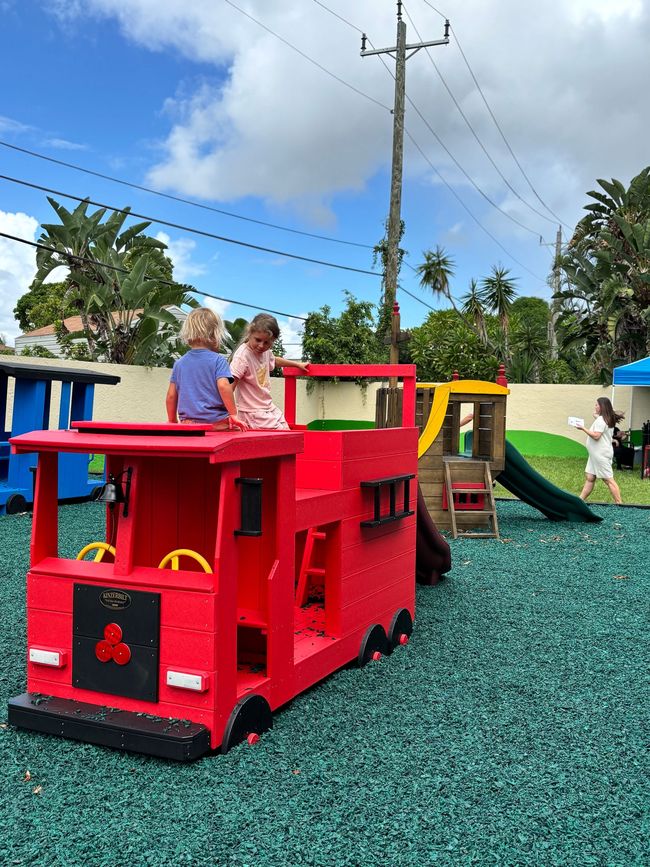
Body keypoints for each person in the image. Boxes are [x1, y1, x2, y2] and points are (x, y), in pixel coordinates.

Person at [166, 307, 247, 431]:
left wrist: (172, 421)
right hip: (216, 423)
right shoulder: (218, 361)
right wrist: (233, 414)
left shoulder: (179, 364)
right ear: (215, 336)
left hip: (189, 424)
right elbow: (224, 386)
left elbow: (171, 396)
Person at [230, 313, 309, 429]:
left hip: (268, 407)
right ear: (250, 333)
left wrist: (297, 364)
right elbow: (230, 385)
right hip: (251, 411)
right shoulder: (242, 356)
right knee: (280, 437)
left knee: (286, 429)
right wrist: (231, 413)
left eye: (267, 342)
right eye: (258, 340)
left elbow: (275, 360)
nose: (261, 345)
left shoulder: (265, 352)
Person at [575, 397, 623, 504]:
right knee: (590, 477)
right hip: (595, 454)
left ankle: (620, 504)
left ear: (602, 407)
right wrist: (596, 415)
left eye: (596, 405)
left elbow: (596, 436)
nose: (595, 406)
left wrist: (583, 428)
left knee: (608, 480)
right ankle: (579, 501)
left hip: (600, 455)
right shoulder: (606, 418)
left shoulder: (601, 420)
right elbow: (597, 418)